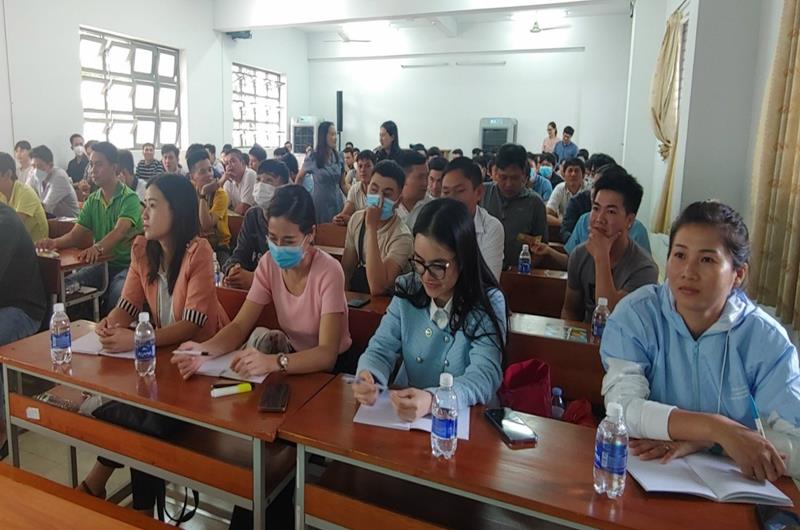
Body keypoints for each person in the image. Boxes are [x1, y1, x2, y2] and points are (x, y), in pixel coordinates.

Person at [602, 200, 800, 481]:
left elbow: (796, 447)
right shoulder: (638, 315)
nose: (688, 272)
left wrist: (709, 442)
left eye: (707, 259)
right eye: (679, 255)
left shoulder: (765, 339)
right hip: (654, 475)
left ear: (738, 274)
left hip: (735, 485)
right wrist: (716, 428)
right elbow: (623, 410)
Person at [78, 174, 228, 510]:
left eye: (153, 206)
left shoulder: (198, 251)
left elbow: (192, 325)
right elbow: (128, 305)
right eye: (144, 205)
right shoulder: (143, 250)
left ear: (178, 210)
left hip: (202, 366)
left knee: (138, 416)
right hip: (164, 363)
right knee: (139, 411)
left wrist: (135, 341)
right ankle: (141, 508)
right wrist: (109, 325)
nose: (144, 214)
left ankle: (109, 489)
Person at [174, 185, 354, 383]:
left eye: (288, 241)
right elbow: (239, 326)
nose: (279, 247)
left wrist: (274, 362)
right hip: (293, 362)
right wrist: (203, 350)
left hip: (332, 371)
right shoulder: (269, 264)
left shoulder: (329, 271)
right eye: (273, 239)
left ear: (310, 234)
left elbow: (327, 355)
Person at [352, 198, 507, 421]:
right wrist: (369, 377)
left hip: (467, 419)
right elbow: (380, 349)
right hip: (405, 415)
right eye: (419, 261)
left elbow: (484, 376)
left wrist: (435, 400)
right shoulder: (408, 288)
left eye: (438, 266)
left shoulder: (487, 302)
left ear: (463, 259)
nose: (426, 275)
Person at [36, 142, 143, 315]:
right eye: (91, 164)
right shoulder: (93, 200)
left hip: (128, 266)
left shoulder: (129, 198)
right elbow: (75, 235)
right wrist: (53, 243)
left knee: (118, 295)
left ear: (114, 167)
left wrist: (97, 247)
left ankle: (109, 328)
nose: (93, 170)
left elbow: (120, 231)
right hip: (102, 265)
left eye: (99, 164)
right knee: (65, 286)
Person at [560, 169, 658, 322]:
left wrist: (601, 257)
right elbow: (570, 310)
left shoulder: (645, 269)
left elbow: (614, 318)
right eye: (596, 208)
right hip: (585, 335)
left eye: (611, 211)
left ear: (629, 220)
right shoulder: (579, 255)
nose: (599, 219)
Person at [341, 160, 412, 295]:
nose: (379, 198)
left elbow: (378, 287)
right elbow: (346, 270)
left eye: (387, 194)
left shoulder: (402, 237)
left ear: (398, 201)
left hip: (387, 303)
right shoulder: (356, 219)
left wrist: (371, 227)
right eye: (374, 190)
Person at [221, 160, 291, 290]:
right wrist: (233, 269)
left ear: (284, 188)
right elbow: (241, 252)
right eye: (258, 180)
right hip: (253, 289)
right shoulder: (252, 215)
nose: (261, 186)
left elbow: (293, 272)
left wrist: (255, 279)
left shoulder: (292, 219)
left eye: (269, 181)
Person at [480, 143, 548, 270]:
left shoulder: (535, 203)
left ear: (524, 175)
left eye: (515, 178)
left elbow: (540, 248)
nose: (508, 184)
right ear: (495, 172)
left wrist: (521, 272)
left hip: (518, 273)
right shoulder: (481, 193)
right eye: (503, 177)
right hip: (482, 271)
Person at [441, 157, 504, 281]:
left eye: (459, 191)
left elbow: (488, 281)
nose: (451, 199)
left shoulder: (491, 228)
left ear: (479, 192)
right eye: (446, 192)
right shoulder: (434, 222)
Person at [561, 153, 616, 242]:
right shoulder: (577, 202)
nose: (593, 178)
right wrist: (578, 244)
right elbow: (565, 231)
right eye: (592, 173)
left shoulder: (632, 224)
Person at [188, 149, 231, 264]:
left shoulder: (220, 194)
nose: (209, 175)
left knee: (226, 269)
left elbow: (206, 226)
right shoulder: (190, 191)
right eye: (202, 172)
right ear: (192, 176)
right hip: (195, 244)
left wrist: (203, 194)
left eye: (210, 169)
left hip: (219, 246)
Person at [297, 121, 344, 224]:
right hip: (321, 203)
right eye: (332, 134)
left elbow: (343, 184)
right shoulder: (313, 157)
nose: (335, 138)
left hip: (337, 200)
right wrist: (300, 199)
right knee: (322, 230)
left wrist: (352, 199)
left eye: (335, 134)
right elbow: (299, 178)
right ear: (323, 136)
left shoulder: (339, 156)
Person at [0, 152, 48, 242]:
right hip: (12, 244)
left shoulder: (25, 193)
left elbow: (11, 228)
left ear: (7, 174)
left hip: (34, 247)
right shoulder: (2, 193)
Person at [31, 145, 80, 218]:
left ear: (50, 165)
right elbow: (25, 194)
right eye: (33, 166)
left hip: (70, 221)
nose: (35, 170)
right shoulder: (35, 176)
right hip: (52, 219)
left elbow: (46, 207)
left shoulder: (59, 177)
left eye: (39, 166)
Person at [333, 149, 375, 226]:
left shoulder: (379, 190)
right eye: (360, 166)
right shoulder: (355, 189)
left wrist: (351, 219)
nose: (363, 170)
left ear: (375, 168)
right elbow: (345, 213)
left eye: (367, 166)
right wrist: (339, 218)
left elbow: (372, 219)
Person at [547, 157, 590, 224]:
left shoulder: (589, 189)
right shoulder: (559, 188)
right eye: (570, 171)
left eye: (576, 171)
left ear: (583, 175)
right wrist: (565, 224)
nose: (573, 174)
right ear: (563, 175)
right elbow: (547, 215)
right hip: (564, 225)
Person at [396, 149, 430, 231]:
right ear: (403, 178)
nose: (426, 183)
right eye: (420, 177)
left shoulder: (432, 207)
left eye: (427, 177)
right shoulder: (388, 206)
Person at [215, 148, 256, 215]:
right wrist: (222, 182)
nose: (229, 166)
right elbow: (222, 206)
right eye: (226, 163)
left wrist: (230, 210)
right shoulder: (228, 179)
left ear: (243, 163)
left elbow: (243, 208)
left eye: (233, 161)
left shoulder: (250, 174)